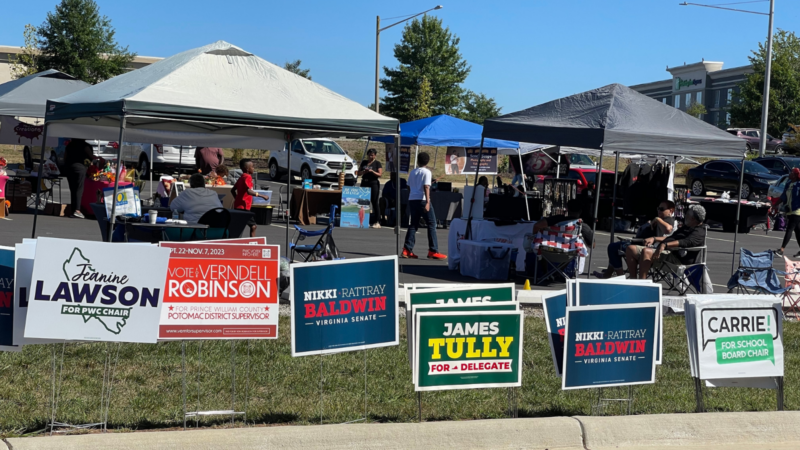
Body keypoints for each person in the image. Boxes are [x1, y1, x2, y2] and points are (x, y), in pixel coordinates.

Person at [593, 200, 676, 278]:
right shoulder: (663, 220)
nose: (659, 211)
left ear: (671, 211)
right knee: (615, 247)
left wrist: (657, 220)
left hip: (650, 248)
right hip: (643, 243)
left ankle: (619, 277)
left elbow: (668, 229)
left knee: (613, 247)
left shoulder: (668, 219)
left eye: (661, 209)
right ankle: (609, 274)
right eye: (658, 208)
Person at [629, 204, 707, 279]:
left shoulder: (699, 232)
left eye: (687, 214)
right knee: (631, 249)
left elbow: (686, 242)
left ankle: (642, 285)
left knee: (646, 252)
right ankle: (633, 282)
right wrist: (654, 238)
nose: (685, 216)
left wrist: (664, 245)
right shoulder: (687, 227)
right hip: (669, 253)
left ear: (693, 218)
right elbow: (672, 237)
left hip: (678, 260)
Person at [402, 152, 447, 260]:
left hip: (413, 199)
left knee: (413, 224)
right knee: (432, 223)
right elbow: (426, 186)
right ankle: (433, 250)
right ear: (427, 161)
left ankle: (407, 249)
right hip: (422, 200)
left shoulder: (413, 172)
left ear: (418, 161)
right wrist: (428, 202)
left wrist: (414, 192)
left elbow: (408, 186)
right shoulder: (427, 172)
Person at [232, 158, 269, 237]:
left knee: (239, 226)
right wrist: (262, 196)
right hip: (244, 207)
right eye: (252, 167)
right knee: (253, 226)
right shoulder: (247, 177)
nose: (253, 168)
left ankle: (236, 240)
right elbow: (249, 191)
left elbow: (232, 190)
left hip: (238, 206)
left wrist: (237, 199)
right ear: (247, 168)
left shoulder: (241, 177)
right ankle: (253, 243)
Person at [63, 139, 93, 219]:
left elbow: (65, 157)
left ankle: (73, 210)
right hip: (80, 168)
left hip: (69, 168)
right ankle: (77, 210)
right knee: (79, 189)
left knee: (72, 189)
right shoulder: (85, 146)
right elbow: (91, 157)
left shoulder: (70, 145)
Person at [776, 168, 800, 257]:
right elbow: (783, 196)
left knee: (789, 229)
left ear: (795, 175)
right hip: (789, 210)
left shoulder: (799, 184)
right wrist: (775, 204)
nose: (790, 174)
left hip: (797, 210)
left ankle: (781, 250)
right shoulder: (789, 183)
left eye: (792, 173)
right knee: (798, 231)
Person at [357, 148, 383, 228]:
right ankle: (363, 220)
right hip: (364, 182)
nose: (371, 156)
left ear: (375, 155)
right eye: (370, 154)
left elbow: (380, 174)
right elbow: (358, 173)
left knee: (374, 201)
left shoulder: (377, 163)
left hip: (373, 183)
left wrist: (372, 172)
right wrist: (363, 172)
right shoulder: (364, 162)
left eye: (372, 155)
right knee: (363, 201)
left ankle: (377, 221)